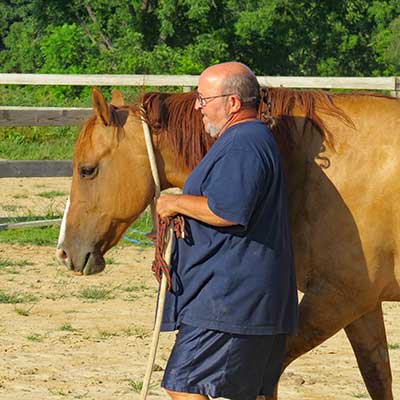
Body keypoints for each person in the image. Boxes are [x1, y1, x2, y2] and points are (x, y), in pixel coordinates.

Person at [156, 61, 298, 400]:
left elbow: (227, 209)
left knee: (183, 386)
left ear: (232, 103)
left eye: (204, 98)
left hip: (229, 302)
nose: (197, 107)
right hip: (247, 297)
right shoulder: (249, 138)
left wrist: (174, 203)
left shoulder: (244, 143)